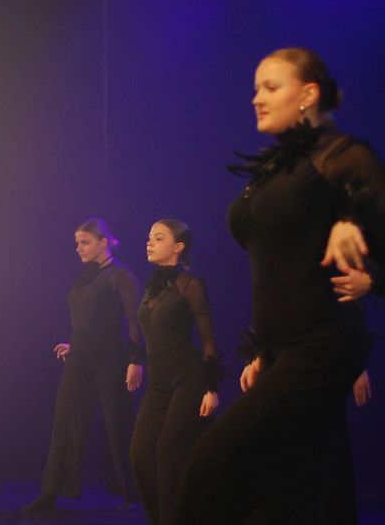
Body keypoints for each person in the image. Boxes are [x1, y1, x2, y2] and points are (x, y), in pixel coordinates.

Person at [177, 47, 385, 524]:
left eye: (271, 87)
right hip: (279, 349)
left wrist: (363, 251)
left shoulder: (343, 156)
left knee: (212, 464)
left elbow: (368, 221)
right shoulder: (275, 168)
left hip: (322, 344)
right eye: (255, 88)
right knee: (286, 496)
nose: (257, 98)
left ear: (309, 94)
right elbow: (281, 263)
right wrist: (262, 351)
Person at [23, 218, 142, 514]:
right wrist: (75, 345)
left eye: (85, 242)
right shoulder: (86, 277)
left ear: (104, 242)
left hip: (111, 360)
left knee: (117, 425)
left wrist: (136, 359)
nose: (78, 248)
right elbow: (89, 320)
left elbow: (134, 323)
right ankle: (49, 494)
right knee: (65, 422)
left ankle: (132, 492)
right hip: (80, 359)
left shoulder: (121, 275)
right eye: (77, 243)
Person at [129, 220, 220, 525]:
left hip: (188, 379)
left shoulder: (190, 285)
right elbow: (146, 332)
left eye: (158, 238)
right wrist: (135, 360)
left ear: (178, 247)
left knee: (168, 451)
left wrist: (211, 387)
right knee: (140, 455)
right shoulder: (152, 287)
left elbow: (208, 339)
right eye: (148, 237)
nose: (149, 243)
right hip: (158, 383)